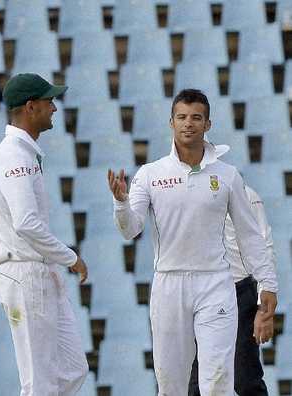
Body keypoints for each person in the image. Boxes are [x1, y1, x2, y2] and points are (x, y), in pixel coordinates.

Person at [107, 89, 278, 395]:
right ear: (171, 122)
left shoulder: (227, 175)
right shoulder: (150, 175)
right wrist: (121, 203)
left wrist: (268, 284)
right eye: (182, 117)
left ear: (207, 124)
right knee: (171, 385)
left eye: (196, 118)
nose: (189, 124)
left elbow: (250, 235)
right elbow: (130, 230)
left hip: (215, 284)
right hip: (169, 285)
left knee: (217, 384)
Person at [0, 73, 89, 396]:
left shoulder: (24, 153)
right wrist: (70, 257)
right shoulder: (12, 156)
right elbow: (26, 223)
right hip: (23, 273)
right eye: (49, 102)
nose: (54, 108)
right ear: (31, 107)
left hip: (39, 270)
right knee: (39, 382)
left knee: (73, 369)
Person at [189, 147, 276, 396]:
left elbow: (263, 248)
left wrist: (263, 309)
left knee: (245, 378)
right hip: (198, 292)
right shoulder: (185, 197)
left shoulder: (247, 196)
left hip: (237, 291)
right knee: (193, 382)